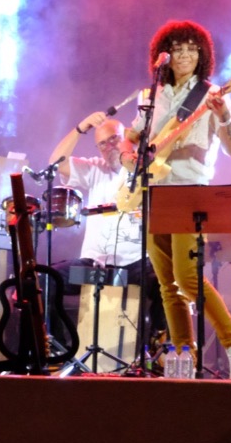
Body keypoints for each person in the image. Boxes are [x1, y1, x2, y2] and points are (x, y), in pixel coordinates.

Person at [118, 20, 231, 381]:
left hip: (190, 191)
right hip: (153, 191)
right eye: (177, 48)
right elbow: (131, 137)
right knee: (166, 284)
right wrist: (126, 154)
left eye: (192, 49)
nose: (184, 55)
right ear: (164, 54)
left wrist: (224, 114)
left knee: (188, 278)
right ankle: (182, 356)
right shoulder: (152, 95)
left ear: (202, 55)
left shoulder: (210, 94)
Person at [46, 114, 166, 353]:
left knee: (168, 283)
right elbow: (56, 163)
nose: (109, 146)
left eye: (114, 139)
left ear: (128, 138)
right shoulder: (94, 168)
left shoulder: (148, 169)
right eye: (102, 143)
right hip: (95, 265)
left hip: (137, 264)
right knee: (45, 280)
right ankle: (59, 349)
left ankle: (159, 346)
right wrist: (80, 127)